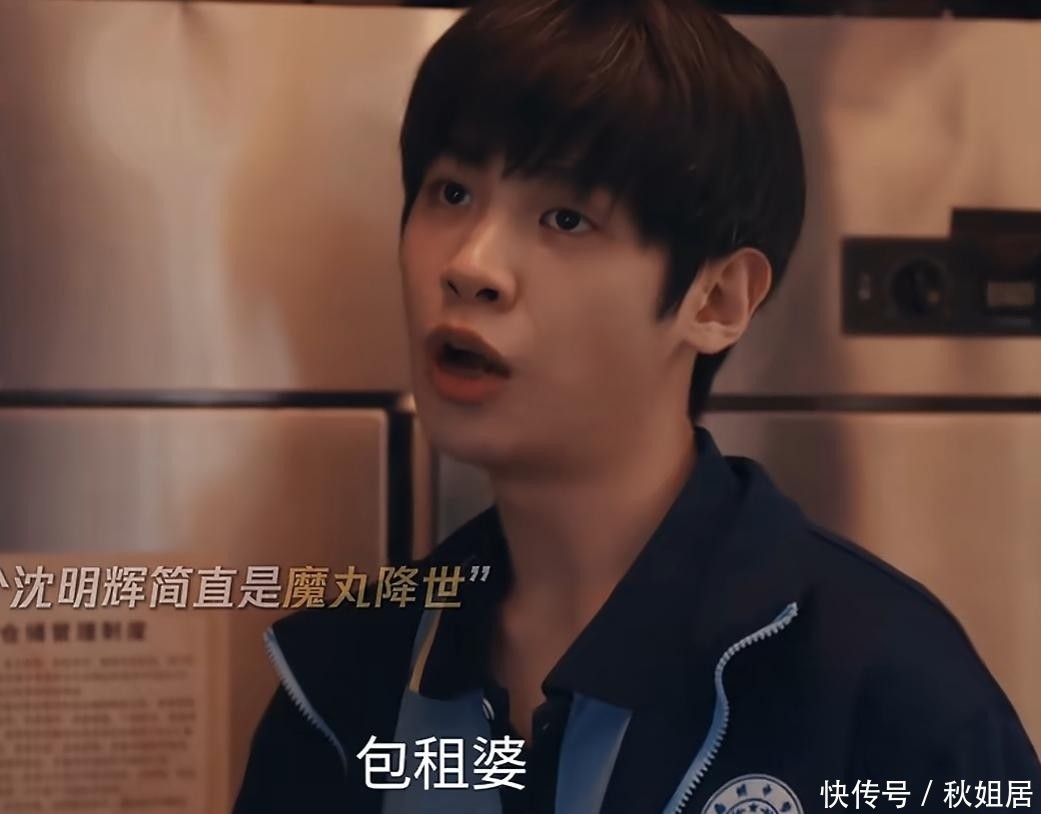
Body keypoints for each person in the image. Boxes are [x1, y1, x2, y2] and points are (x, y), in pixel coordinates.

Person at [233, 0, 1041, 811]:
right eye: (451, 192)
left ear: (716, 298)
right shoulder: (343, 681)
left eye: (565, 218)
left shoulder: (883, 692)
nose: (471, 265)